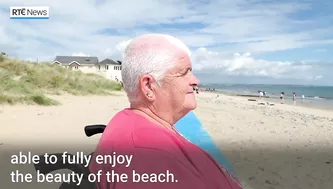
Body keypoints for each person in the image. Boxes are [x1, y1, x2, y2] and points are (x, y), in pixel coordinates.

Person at [89, 34, 243, 189]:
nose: (196, 81)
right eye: (184, 72)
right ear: (149, 86)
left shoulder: (141, 125)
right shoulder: (148, 156)